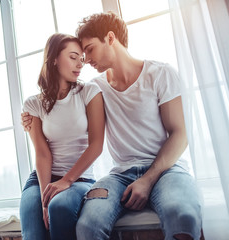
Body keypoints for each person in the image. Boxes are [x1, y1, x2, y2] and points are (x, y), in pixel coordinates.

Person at [22, 12, 202, 240]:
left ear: (110, 38)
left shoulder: (160, 74)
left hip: (166, 169)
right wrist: (28, 119)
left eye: (89, 49)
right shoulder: (95, 88)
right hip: (119, 175)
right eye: (80, 53)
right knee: (88, 226)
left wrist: (147, 180)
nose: (85, 59)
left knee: (183, 216)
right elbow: (62, 106)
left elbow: (180, 134)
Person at [19, 33, 105, 240]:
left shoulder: (89, 92)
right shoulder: (33, 104)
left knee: (60, 207)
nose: (80, 64)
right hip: (43, 179)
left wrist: (66, 181)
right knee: (33, 220)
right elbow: (42, 153)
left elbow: (96, 146)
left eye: (82, 59)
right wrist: (44, 198)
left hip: (79, 178)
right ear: (55, 59)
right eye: (73, 57)